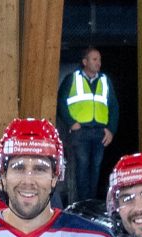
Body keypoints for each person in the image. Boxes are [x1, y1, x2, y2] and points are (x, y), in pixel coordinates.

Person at [56, 46, 119, 204]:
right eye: (94, 59)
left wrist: (111, 130)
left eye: (99, 59)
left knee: (96, 168)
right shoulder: (72, 78)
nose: (98, 62)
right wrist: (71, 123)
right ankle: (83, 204)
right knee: (82, 167)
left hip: (99, 131)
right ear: (85, 62)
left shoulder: (105, 81)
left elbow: (114, 106)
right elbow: (60, 102)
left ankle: (92, 203)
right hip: (81, 131)